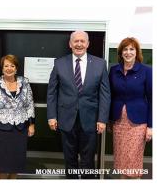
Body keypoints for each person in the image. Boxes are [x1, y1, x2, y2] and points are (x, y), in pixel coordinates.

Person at [47, 30, 111, 179]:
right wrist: (51, 116)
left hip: (90, 120)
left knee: (88, 161)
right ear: (70, 44)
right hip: (66, 119)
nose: (79, 44)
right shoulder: (59, 63)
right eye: (76, 41)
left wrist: (102, 119)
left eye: (82, 41)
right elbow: (52, 92)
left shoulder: (100, 64)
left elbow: (105, 94)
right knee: (70, 160)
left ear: (88, 44)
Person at [0, 54, 35, 179]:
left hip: (20, 129)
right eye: (6, 65)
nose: (9, 68)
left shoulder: (25, 82)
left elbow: (30, 104)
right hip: (1, 131)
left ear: (16, 68)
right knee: (2, 166)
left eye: (12, 66)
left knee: (16, 166)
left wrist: (32, 124)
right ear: (2, 68)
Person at [109, 37, 152, 179]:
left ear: (137, 52)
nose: (128, 52)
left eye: (131, 49)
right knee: (121, 159)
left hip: (138, 123)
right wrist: (109, 119)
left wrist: (151, 127)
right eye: (125, 49)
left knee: (133, 160)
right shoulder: (114, 70)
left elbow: (152, 99)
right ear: (121, 53)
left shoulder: (146, 71)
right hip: (118, 122)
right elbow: (110, 96)